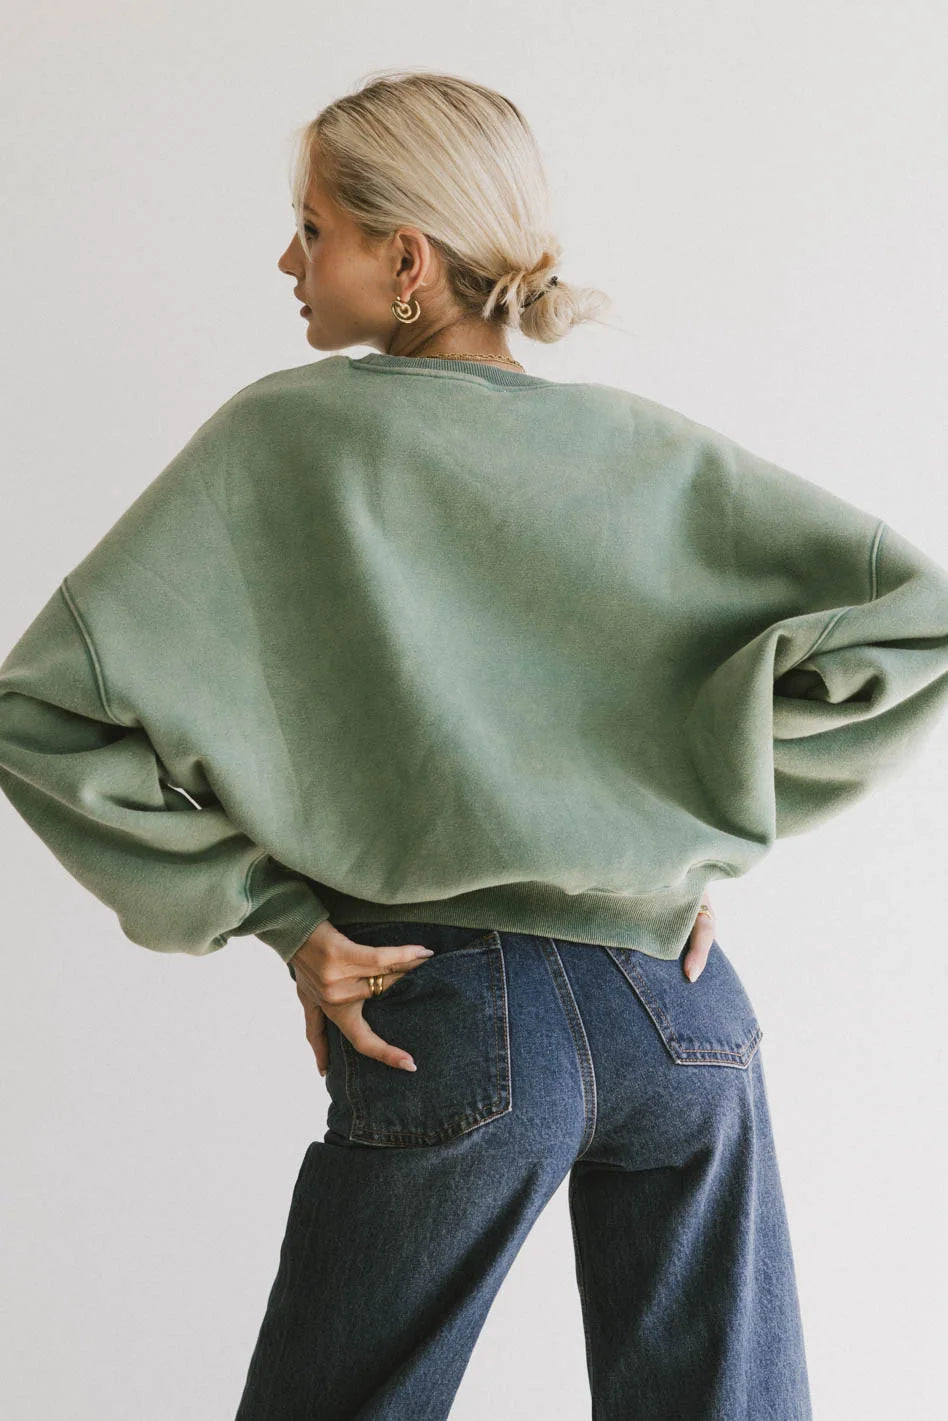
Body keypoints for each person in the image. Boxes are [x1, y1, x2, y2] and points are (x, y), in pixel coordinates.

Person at [2, 69, 947, 1421]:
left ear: (408, 260)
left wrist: (278, 917)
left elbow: (43, 712)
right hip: (679, 1012)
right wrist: (681, 833)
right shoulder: (641, 448)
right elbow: (914, 628)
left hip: (448, 1014)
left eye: (313, 227)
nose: (287, 260)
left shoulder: (286, 438)